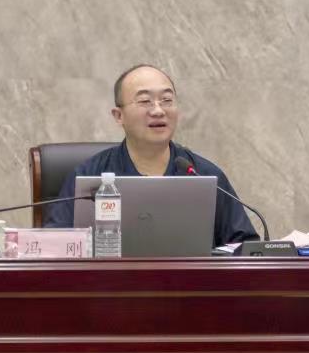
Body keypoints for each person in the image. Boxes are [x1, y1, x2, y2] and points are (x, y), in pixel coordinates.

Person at [44, 64, 259, 247]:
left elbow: (245, 247)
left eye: (167, 100)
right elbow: (54, 247)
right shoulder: (88, 175)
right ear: (119, 116)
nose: (158, 110)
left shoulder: (203, 174)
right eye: (145, 101)